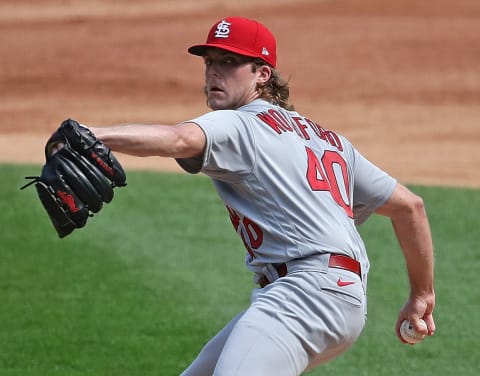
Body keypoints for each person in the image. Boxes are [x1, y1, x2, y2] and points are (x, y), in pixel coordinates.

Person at [88, 16, 435, 375]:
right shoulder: (324, 139)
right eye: (210, 62)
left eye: (229, 62)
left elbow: (178, 139)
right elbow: (410, 207)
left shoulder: (240, 123)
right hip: (330, 297)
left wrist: (93, 134)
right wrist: (422, 295)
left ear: (262, 74)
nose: (214, 73)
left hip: (306, 294)